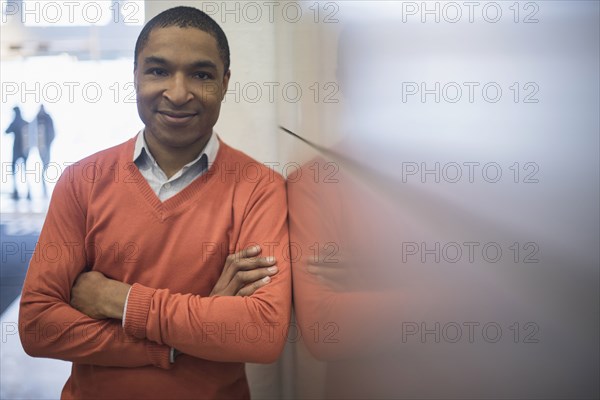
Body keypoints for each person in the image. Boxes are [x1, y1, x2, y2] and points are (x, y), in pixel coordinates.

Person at [19, 6, 291, 399]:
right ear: (135, 76)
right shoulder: (82, 182)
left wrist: (119, 300)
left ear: (225, 83)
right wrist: (181, 339)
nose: (178, 93)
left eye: (201, 74)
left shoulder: (259, 189)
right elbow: (38, 326)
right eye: (158, 71)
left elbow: (260, 333)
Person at [5, 106, 30, 200]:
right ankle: (29, 194)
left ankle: (16, 193)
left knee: (14, 172)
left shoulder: (15, 122)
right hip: (24, 151)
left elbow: (6, 131)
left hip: (16, 151)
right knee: (26, 172)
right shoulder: (25, 122)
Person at [34, 104, 56, 197]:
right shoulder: (37, 118)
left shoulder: (47, 118)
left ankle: (45, 186)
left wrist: (49, 142)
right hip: (40, 145)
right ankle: (43, 186)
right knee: (44, 165)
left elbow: (52, 132)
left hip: (46, 145)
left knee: (46, 165)